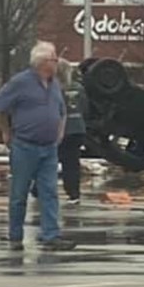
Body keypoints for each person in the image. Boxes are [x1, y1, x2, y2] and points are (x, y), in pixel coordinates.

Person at [0, 41, 75, 251]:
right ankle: (15, 235)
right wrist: (6, 131)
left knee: (50, 192)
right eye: (53, 59)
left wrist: (60, 131)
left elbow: (61, 110)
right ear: (41, 62)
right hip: (24, 146)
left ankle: (51, 235)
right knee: (19, 193)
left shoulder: (55, 84)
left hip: (49, 148)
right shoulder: (20, 82)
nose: (57, 63)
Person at [56, 58, 86, 206]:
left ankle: (38, 189)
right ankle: (74, 193)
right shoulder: (79, 88)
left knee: (48, 161)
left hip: (60, 130)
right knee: (72, 162)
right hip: (78, 128)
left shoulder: (54, 89)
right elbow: (85, 107)